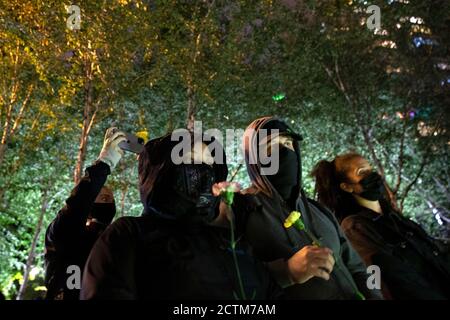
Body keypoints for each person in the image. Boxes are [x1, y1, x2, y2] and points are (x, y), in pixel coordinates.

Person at [80, 133, 279, 300]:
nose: (204, 173)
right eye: (192, 161)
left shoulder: (227, 240)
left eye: (210, 165)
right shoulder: (128, 235)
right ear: (162, 171)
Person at [239, 116, 382, 299]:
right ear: (254, 157)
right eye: (273, 146)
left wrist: (374, 295)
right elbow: (232, 280)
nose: (286, 152)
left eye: (289, 144)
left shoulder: (319, 210)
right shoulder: (242, 210)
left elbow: (359, 266)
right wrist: (286, 271)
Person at [311, 152, 450, 299]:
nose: (372, 175)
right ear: (346, 187)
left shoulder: (392, 217)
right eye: (362, 172)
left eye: (370, 169)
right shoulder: (354, 228)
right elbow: (381, 277)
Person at [44, 127, 126, 300]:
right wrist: (103, 164)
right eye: (101, 196)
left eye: (107, 198)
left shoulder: (116, 241)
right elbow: (76, 206)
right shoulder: (62, 233)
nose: (106, 197)